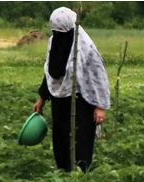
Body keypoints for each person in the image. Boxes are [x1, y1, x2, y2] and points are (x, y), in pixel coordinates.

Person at [32, 7, 109, 172]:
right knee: (61, 137)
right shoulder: (54, 41)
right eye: (56, 31)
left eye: (62, 32)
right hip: (59, 100)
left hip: (81, 100)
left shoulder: (84, 46)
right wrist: (42, 98)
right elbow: (49, 72)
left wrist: (100, 106)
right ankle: (64, 171)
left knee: (80, 138)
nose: (59, 36)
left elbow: (98, 76)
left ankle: (81, 173)